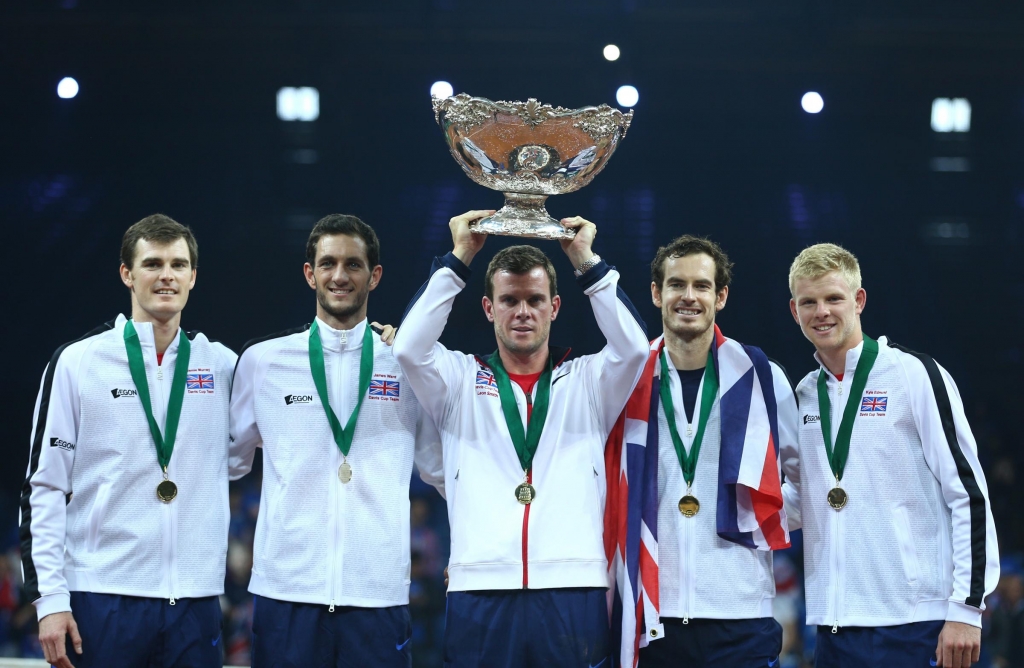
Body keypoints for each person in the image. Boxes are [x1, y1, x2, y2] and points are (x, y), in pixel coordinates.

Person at [393, 209, 649, 668]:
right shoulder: (458, 379)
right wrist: (460, 258)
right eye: (510, 300)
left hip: (574, 587)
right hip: (480, 587)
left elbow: (633, 349)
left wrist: (586, 262)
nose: (523, 312)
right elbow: (409, 347)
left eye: (535, 299)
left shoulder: (589, 381)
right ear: (489, 307)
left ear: (555, 306)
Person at [20, 214, 237, 668]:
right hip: (103, 595)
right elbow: (43, 488)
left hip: (195, 600)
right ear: (127, 274)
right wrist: (50, 600)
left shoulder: (223, 366)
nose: (166, 276)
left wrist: (387, 350)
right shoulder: (78, 362)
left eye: (178, 265)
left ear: (193, 276)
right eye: (153, 263)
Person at [229, 213, 444, 668]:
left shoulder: (405, 363)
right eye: (327, 263)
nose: (340, 276)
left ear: (375, 275)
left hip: (378, 595)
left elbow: (443, 470)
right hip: (285, 593)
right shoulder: (263, 362)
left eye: (353, 264)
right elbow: (225, 462)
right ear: (310, 274)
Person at [783, 243, 1000, 668]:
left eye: (833, 298)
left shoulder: (914, 374)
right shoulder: (804, 394)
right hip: (834, 624)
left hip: (916, 621)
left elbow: (968, 493)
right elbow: (806, 501)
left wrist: (967, 608)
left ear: (858, 300)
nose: (821, 311)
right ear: (795, 311)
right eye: (809, 302)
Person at [607, 235, 797, 667]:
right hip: (651, 614)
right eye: (676, 284)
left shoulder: (762, 377)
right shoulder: (623, 378)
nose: (688, 296)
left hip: (741, 615)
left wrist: (757, 518)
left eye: (702, 285)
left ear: (721, 296)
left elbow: (805, 479)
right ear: (657, 293)